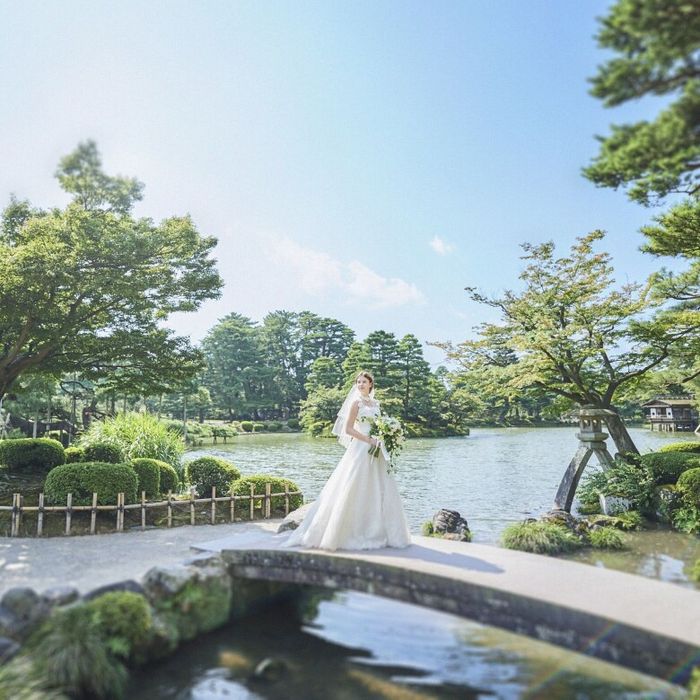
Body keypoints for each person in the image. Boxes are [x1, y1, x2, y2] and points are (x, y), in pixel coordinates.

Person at [281, 371, 411, 551]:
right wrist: (369, 440)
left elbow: (378, 426)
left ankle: (380, 531)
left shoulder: (376, 404)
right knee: (353, 485)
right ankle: (344, 533)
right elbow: (348, 429)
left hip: (376, 449)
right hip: (360, 448)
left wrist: (386, 435)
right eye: (358, 382)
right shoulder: (356, 403)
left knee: (378, 487)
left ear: (371, 384)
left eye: (364, 382)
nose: (360, 385)